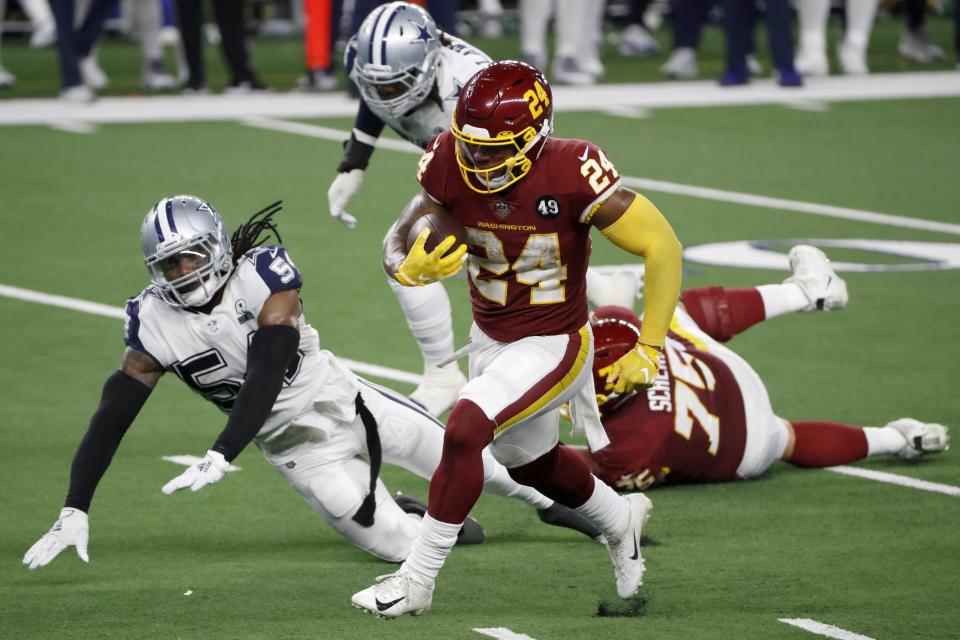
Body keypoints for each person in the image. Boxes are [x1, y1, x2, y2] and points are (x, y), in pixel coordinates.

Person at [21, 194, 606, 572]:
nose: (186, 273)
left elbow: (271, 364)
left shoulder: (261, 272)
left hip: (344, 399)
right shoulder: (152, 321)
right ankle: (420, 515)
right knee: (406, 548)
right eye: (171, 265)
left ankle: (558, 506)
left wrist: (223, 449)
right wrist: (76, 505)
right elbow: (112, 413)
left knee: (485, 466)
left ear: (219, 248)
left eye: (193, 257)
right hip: (296, 450)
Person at [352, 60, 683, 617]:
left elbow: (662, 246)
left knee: (465, 427)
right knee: (530, 464)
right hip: (490, 337)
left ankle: (417, 579)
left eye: (494, 150)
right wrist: (403, 266)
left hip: (556, 341)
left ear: (535, 137)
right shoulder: (450, 159)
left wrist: (648, 346)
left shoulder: (573, 169)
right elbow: (401, 232)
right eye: (470, 146)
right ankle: (618, 518)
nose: (478, 160)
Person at [328, 2, 639, 418]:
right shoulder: (368, 59)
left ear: (427, 65)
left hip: (499, 164)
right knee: (416, 255)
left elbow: (525, 146)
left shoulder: (473, 88)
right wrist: (354, 161)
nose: (386, 94)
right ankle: (603, 287)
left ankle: (447, 376)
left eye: (395, 85)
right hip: (454, 159)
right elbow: (378, 97)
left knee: (482, 250)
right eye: (378, 85)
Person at [575, 246, 949, 490]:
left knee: (788, 439)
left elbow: (578, 466)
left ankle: (898, 439)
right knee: (671, 313)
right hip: (729, 383)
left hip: (748, 450)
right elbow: (620, 323)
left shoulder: (627, 445)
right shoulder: (628, 353)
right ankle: (807, 292)